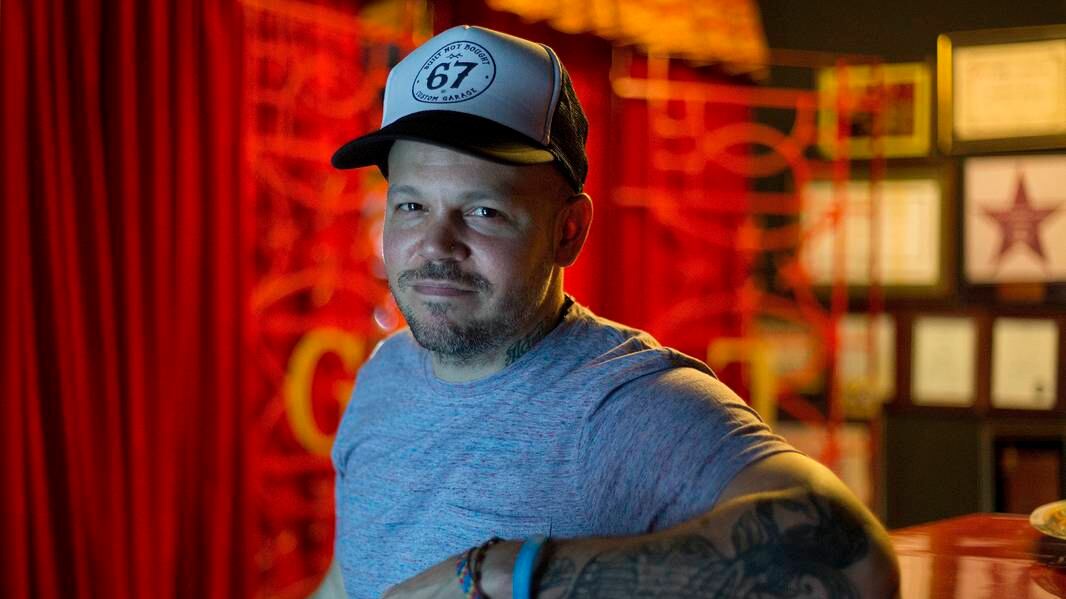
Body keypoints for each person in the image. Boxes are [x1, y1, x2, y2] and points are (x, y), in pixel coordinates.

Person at [329, 25, 899, 599]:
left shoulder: (625, 404)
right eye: (411, 205)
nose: (436, 245)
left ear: (569, 231)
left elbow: (856, 566)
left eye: (483, 211)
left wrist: (504, 573)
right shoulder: (385, 376)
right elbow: (347, 582)